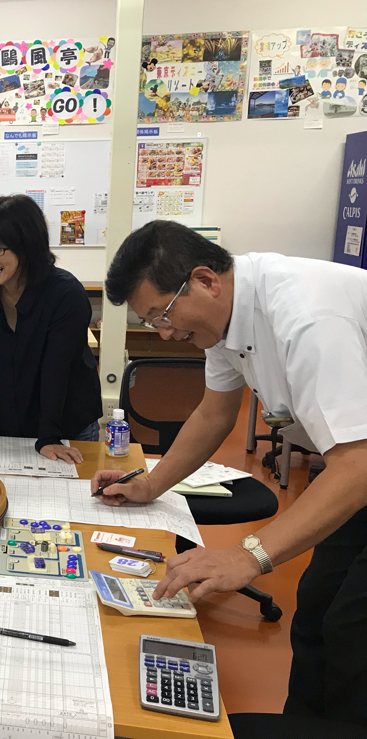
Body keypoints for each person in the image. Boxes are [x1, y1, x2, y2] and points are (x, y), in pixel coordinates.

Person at [94, 220, 367, 726]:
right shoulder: (224, 322)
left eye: (162, 315)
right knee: (318, 606)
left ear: (204, 281)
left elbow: (357, 465)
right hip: (354, 469)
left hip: (357, 467)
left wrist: (249, 554)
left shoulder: (305, 315)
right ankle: (305, 727)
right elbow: (214, 413)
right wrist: (149, 483)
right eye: (152, 322)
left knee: (354, 629)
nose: (165, 333)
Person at [0, 195, 102, 464]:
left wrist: (49, 436)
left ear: (27, 246)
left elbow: (57, 372)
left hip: (65, 428)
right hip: (5, 428)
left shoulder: (65, 295)